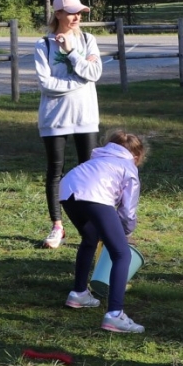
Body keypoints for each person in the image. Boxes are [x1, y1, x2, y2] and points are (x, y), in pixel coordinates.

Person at [58, 130, 148, 334]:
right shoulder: (128, 167)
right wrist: (124, 234)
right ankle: (115, 315)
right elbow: (128, 211)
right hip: (94, 195)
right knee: (121, 253)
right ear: (136, 156)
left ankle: (79, 293)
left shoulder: (97, 159)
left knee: (90, 238)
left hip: (67, 190)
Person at [34, 0, 104, 248]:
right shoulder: (43, 44)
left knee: (89, 171)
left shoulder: (88, 40)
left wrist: (72, 52)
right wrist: (79, 80)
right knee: (56, 172)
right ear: (58, 14)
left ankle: (92, 225)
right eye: (71, 12)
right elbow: (46, 84)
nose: (76, 17)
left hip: (85, 117)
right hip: (54, 118)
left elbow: (94, 72)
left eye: (79, 12)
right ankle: (57, 227)